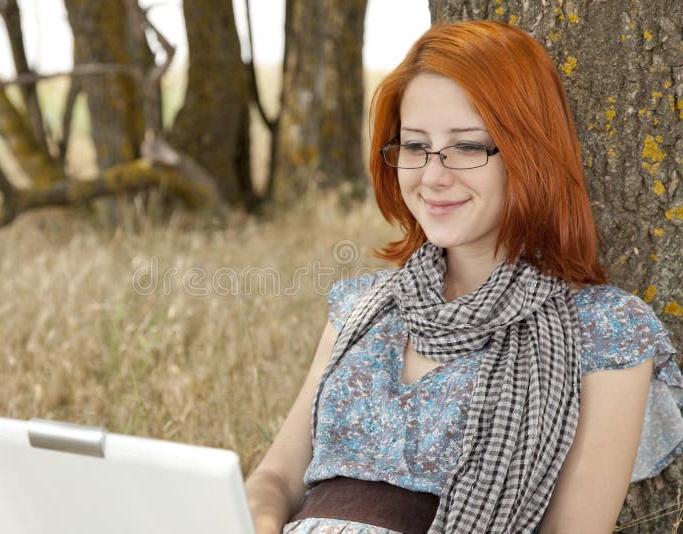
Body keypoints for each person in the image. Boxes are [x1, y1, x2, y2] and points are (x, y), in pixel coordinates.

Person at [244, 20, 683, 534]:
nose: (433, 175)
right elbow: (275, 478)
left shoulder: (606, 331)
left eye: (468, 146)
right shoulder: (362, 307)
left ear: (530, 154)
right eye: (414, 146)